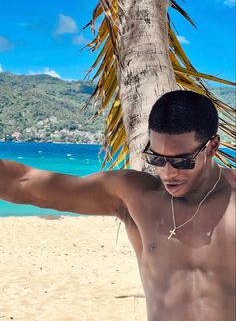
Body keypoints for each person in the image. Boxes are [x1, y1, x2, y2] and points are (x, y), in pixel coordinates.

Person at [0, 90, 235, 321]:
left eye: (182, 161)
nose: (168, 172)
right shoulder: (136, 196)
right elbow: (25, 184)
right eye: (156, 158)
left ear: (212, 147)